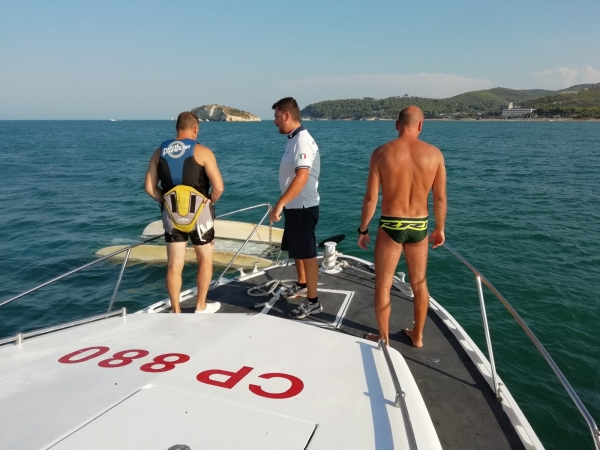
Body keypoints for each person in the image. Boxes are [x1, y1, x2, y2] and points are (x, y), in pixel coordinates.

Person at [358, 106, 446, 348]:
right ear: (420, 125)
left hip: (391, 224)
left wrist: (363, 229)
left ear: (397, 125)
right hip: (419, 225)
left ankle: (384, 339)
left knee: (383, 285)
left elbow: (371, 199)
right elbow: (440, 198)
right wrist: (440, 228)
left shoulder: (381, 153)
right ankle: (417, 336)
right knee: (419, 283)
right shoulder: (434, 154)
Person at [145, 111, 224, 314]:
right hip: (200, 216)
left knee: (174, 265)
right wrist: (209, 201)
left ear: (177, 128)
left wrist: (165, 199)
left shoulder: (158, 152)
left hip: (171, 216)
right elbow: (218, 188)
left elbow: (149, 187)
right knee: (204, 260)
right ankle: (200, 305)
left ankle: (176, 310)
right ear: (195, 128)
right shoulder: (203, 151)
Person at [269, 97, 322, 319]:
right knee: (298, 250)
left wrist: (280, 203)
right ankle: (301, 284)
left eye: (276, 116)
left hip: (302, 206)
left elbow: (302, 176)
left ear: (287, 115)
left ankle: (313, 301)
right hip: (294, 206)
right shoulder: (293, 140)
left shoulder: (302, 140)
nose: (274, 121)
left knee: (307, 254)